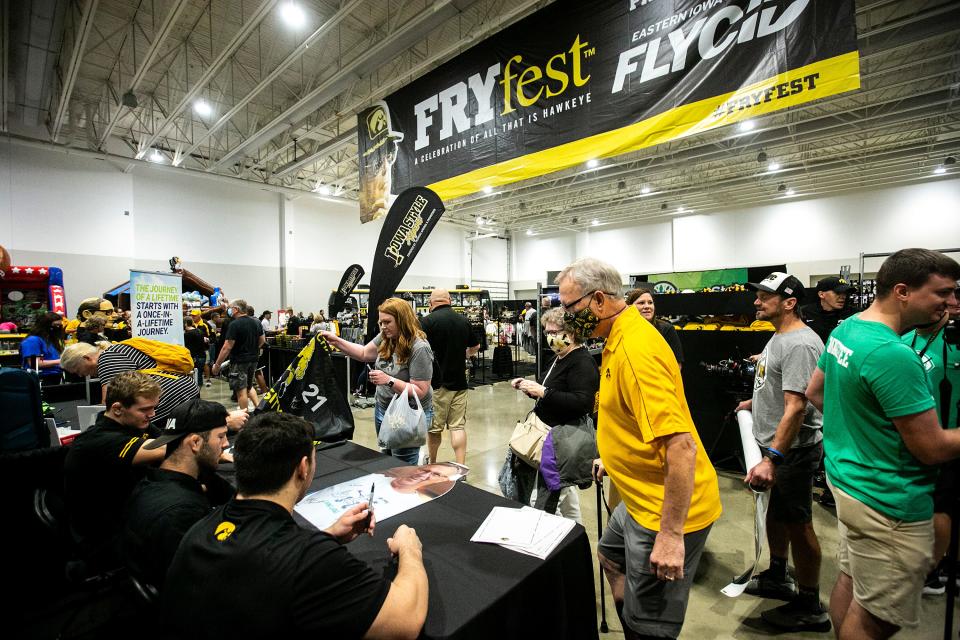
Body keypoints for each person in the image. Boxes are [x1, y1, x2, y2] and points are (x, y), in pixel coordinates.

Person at [557, 257, 721, 640]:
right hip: (637, 498)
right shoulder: (618, 339)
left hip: (662, 510)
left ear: (598, 300)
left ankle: (638, 626)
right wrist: (613, 458)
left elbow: (680, 447)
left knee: (648, 626)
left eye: (570, 307)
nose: (565, 317)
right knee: (610, 557)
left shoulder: (635, 351)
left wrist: (670, 535)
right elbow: (633, 417)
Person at [160, 412, 428, 639]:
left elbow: (260, 565)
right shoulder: (311, 559)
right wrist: (410, 550)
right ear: (303, 467)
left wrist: (329, 534)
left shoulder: (204, 525)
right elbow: (406, 621)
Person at [805, 248, 960, 640]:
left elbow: (817, 392)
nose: (950, 302)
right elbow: (934, 448)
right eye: (942, 292)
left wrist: (864, 430)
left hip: (850, 484)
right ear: (903, 291)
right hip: (889, 500)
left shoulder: (849, 328)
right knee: (879, 618)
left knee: (854, 581)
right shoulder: (893, 355)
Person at [735, 272, 829, 632]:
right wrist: (753, 402)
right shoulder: (780, 337)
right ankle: (777, 574)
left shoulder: (801, 344)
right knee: (776, 514)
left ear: (789, 303)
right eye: (757, 295)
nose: (757, 301)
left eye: (765, 297)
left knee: (799, 523)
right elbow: (778, 388)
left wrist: (773, 458)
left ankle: (810, 604)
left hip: (791, 451)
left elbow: (796, 408)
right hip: (772, 444)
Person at [122, 398, 233, 588]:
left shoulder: (150, 483)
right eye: (221, 436)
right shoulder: (182, 512)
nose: (225, 444)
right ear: (195, 442)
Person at [63, 371, 167, 569]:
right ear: (118, 409)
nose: (152, 414)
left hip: (129, 514)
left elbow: (167, 440)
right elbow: (168, 447)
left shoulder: (137, 425)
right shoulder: (99, 441)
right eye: (145, 409)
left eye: (154, 407)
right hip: (103, 536)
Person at [510, 306, 598, 522]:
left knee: (550, 497)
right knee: (566, 496)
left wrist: (543, 392)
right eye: (547, 333)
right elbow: (549, 389)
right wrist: (530, 387)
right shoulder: (559, 357)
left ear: (571, 333)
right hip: (550, 435)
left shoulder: (582, 361)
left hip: (562, 439)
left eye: (555, 332)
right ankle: (575, 531)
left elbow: (582, 402)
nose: (551, 338)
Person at [322, 297, 433, 465]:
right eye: (381, 322)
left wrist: (389, 380)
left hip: (407, 413)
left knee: (402, 466)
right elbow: (364, 353)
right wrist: (336, 341)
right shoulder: (385, 336)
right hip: (383, 408)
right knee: (387, 458)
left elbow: (420, 390)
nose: (383, 327)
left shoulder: (419, 348)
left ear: (402, 320)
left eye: (387, 322)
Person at [901, 292, 960, 595]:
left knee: (942, 507)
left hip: (947, 437)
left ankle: (933, 571)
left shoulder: (954, 342)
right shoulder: (906, 338)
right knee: (931, 505)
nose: (948, 304)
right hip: (915, 439)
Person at [60, 341, 217, 428]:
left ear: (87, 358)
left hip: (168, 395)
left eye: (76, 370)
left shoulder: (107, 359)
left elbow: (110, 403)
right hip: (183, 388)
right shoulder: (118, 350)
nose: (81, 375)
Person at [420, 288, 480, 465]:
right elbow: (475, 346)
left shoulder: (427, 321)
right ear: (449, 301)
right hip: (460, 382)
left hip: (436, 384)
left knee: (434, 429)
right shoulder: (463, 320)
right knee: (458, 426)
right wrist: (465, 355)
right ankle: (460, 467)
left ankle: (432, 462)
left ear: (431, 303)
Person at [212, 299, 265, 412]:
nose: (229, 310)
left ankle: (244, 418)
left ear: (236, 309)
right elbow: (262, 340)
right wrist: (254, 349)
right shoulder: (256, 322)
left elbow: (227, 347)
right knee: (249, 387)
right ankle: (259, 409)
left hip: (239, 361)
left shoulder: (234, 324)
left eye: (230, 308)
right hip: (253, 359)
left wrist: (217, 365)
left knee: (241, 391)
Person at [625, 287, 684, 367]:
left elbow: (677, 365)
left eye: (650, 302)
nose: (647, 306)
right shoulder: (624, 330)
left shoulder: (666, 329)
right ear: (630, 307)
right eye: (641, 303)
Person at [800, 276, 853, 344]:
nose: (843, 296)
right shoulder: (804, 313)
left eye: (845, 293)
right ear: (821, 294)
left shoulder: (854, 315)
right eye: (838, 292)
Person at [20, 311, 64, 381]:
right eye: (56, 325)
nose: (58, 328)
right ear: (45, 325)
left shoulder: (50, 340)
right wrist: (61, 361)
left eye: (60, 325)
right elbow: (34, 363)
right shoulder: (33, 340)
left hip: (55, 376)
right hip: (41, 379)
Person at [183, 317, 207, 385]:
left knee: (194, 377)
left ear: (185, 324)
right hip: (202, 355)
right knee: (199, 376)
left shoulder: (187, 334)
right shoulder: (199, 331)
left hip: (195, 358)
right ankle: (198, 392)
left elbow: (187, 347)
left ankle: (196, 392)